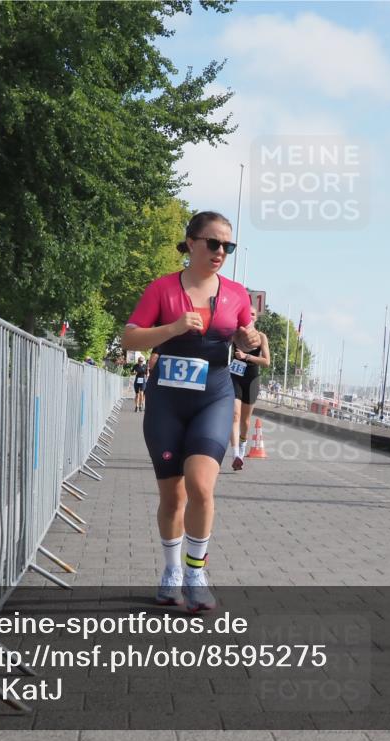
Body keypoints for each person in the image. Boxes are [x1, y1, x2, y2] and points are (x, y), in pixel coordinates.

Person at [121, 211, 259, 612]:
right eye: (213, 243)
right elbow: (130, 336)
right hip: (166, 401)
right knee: (173, 497)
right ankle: (171, 572)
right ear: (191, 243)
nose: (220, 252)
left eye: (227, 247)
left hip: (213, 397)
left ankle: (196, 572)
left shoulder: (236, 293)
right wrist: (173, 328)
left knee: (201, 486)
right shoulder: (162, 289)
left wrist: (248, 336)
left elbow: (246, 335)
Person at [230, 307, 270, 470]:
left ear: (256, 318)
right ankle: (235, 455)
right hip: (234, 377)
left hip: (251, 379)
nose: (250, 316)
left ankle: (242, 443)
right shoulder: (234, 333)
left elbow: (266, 362)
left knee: (245, 420)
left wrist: (247, 356)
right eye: (248, 314)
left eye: (253, 314)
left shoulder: (261, 337)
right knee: (235, 415)